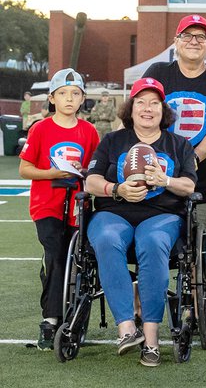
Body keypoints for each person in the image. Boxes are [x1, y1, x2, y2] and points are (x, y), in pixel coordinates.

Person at [85, 78, 197, 367]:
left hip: (161, 214)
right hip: (115, 211)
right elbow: (91, 180)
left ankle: (151, 336)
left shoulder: (178, 144)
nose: (147, 109)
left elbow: (190, 186)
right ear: (131, 109)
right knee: (107, 239)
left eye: (154, 103)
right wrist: (116, 189)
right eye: (141, 102)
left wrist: (166, 180)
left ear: (163, 110)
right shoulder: (112, 141)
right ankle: (126, 328)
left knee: (153, 242)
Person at [18, 68, 99, 351]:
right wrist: (53, 173)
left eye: (75, 94)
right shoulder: (40, 128)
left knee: (80, 260)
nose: (69, 98)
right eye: (63, 93)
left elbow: (96, 170)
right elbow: (24, 169)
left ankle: (76, 318)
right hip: (47, 205)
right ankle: (50, 320)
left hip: (78, 205)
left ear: (82, 99)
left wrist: (84, 171)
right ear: (52, 98)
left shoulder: (89, 131)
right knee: (55, 256)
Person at [142, 15, 206, 249]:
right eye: (187, 35)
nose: (194, 41)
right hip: (159, 179)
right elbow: (140, 115)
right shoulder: (158, 72)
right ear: (176, 41)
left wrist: (192, 158)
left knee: (198, 258)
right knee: (153, 247)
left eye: (201, 36)